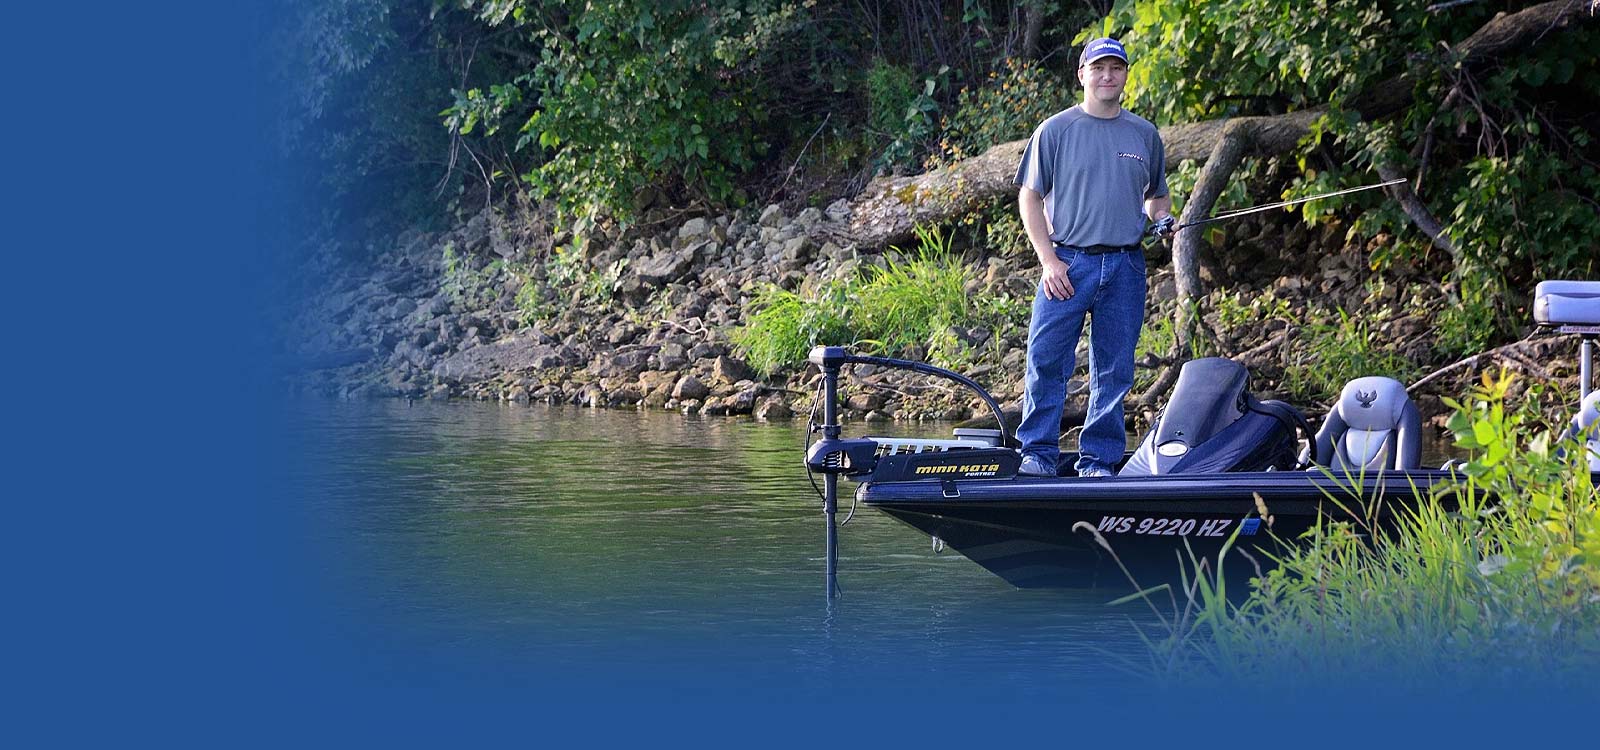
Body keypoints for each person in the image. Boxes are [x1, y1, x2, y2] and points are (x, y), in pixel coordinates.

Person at [1012, 37, 1173, 478]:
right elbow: (1029, 198)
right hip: (1067, 264)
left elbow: (1156, 199)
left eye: (1116, 68)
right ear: (1082, 74)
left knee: (1115, 370)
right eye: (1098, 68)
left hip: (1125, 267)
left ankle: (1099, 462)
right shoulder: (1055, 130)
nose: (1107, 76)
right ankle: (1037, 456)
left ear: (1124, 76)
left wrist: (1163, 219)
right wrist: (1048, 260)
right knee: (1047, 361)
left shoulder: (1144, 135)